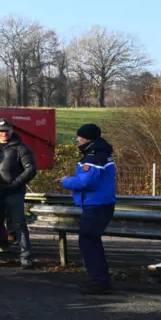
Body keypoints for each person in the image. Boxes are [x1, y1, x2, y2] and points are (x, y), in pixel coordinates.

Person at [61, 124, 118, 294]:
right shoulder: (102, 154)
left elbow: (87, 182)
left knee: (88, 241)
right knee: (91, 240)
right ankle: (100, 280)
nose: (77, 140)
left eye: (79, 137)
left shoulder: (92, 157)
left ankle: (98, 281)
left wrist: (66, 181)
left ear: (87, 139)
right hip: (101, 204)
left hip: (95, 205)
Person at [0, 118, 37, 267]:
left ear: (12, 130)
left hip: (14, 193)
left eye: (6, 130)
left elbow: (30, 169)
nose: (4, 133)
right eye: (1, 131)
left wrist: (15, 184)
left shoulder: (21, 148)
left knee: (19, 225)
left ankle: (26, 257)